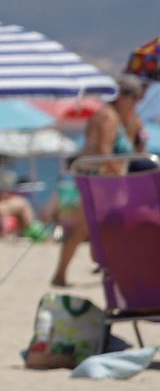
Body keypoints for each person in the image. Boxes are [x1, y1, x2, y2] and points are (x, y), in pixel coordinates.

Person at [50, 73, 150, 287]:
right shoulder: (107, 116)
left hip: (107, 181)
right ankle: (62, 274)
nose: (138, 103)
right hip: (99, 181)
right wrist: (121, 182)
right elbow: (104, 153)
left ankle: (102, 270)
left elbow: (132, 151)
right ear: (123, 96)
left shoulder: (126, 118)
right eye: (135, 98)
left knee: (95, 228)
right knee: (84, 228)